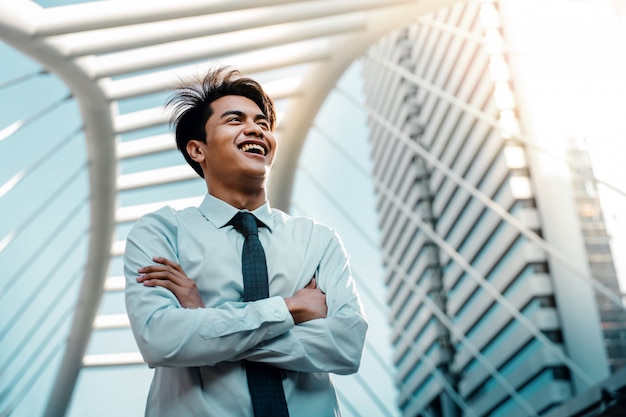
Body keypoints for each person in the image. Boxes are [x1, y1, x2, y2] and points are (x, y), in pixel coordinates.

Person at [123, 67, 368, 417]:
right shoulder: (161, 232)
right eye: (234, 120)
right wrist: (290, 308)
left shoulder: (318, 240)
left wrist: (203, 320)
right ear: (197, 150)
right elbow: (160, 339)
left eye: (263, 123)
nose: (255, 129)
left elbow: (346, 346)